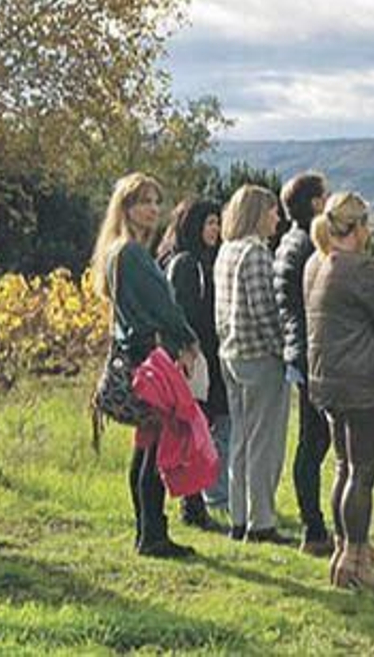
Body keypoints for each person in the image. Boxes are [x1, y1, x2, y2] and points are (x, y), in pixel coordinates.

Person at [88, 172, 202, 558]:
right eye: (145, 201)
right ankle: (153, 533)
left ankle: (148, 531)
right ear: (127, 208)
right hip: (149, 357)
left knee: (147, 445)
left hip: (135, 354)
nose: (154, 208)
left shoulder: (116, 252)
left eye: (157, 200)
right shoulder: (132, 254)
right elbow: (164, 308)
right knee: (156, 447)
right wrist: (188, 340)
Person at [304, 192, 374, 592]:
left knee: (343, 467)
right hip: (361, 381)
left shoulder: (322, 265)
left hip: (327, 381)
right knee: (363, 473)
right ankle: (356, 560)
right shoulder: (361, 269)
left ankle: (342, 552)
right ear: (359, 227)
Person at [215, 184, 293, 545]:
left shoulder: (226, 251)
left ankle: (239, 517)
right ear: (259, 213)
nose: (278, 217)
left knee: (241, 440)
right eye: (272, 210)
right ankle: (262, 522)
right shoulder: (257, 254)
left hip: (231, 353)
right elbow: (265, 312)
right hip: (260, 356)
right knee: (265, 442)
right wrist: (285, 351)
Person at [157, 197, 230, 533]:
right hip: (194, 356)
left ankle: (197, 501)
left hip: (202, 354)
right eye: (209, 223)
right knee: (195, 427)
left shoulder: (197, 259)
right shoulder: (187, 264)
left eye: (217, 222)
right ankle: (194, 505)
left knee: (199, 427)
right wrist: (188, 350)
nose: (215, 229)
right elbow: (184, 313)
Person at [274, 172, 334, 556]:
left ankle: (314, 525)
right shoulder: (309, 249)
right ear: (314, 204)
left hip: (296, 349)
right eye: (324, 197)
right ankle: (313, 529)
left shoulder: (286, 244)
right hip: (311, 351)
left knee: (311, 439)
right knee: (315, 441)